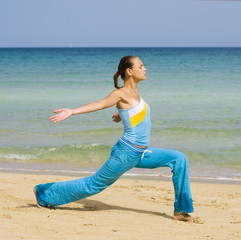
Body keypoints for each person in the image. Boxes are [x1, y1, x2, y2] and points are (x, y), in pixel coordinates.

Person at [33, 56, 194, 222]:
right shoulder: (120, 94)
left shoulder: (134, 93)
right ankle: (44, 193)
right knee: (92, 185)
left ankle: (181, 211)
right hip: (126, 153)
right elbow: (100, 103)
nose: (145, 69)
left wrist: (121, 114)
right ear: (129, 71)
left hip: (141, 152)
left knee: (179, 158)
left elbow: (135, 113)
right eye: (141, 66)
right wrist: (73, 111)